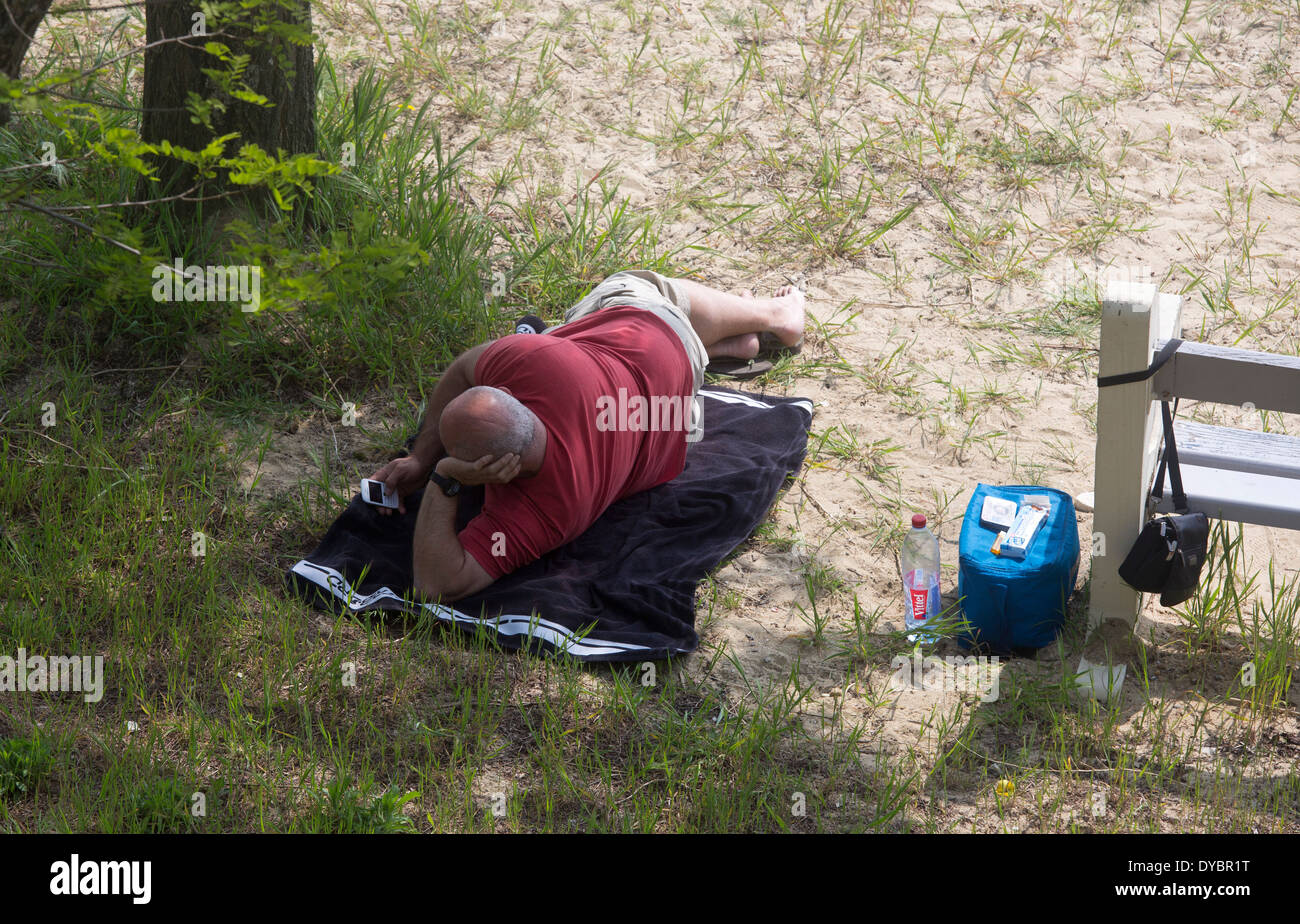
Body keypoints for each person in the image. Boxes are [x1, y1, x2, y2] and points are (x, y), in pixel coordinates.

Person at [368, 270, 805, 601]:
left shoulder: (547, 510)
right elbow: (468, 367)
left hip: (673, 415)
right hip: (656, 348)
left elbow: (435, 585)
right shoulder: (527, 357)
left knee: (652, 326)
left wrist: (436, 471)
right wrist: (433, 464)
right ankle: (767, 317)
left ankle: (742, 334)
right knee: (633, 283)